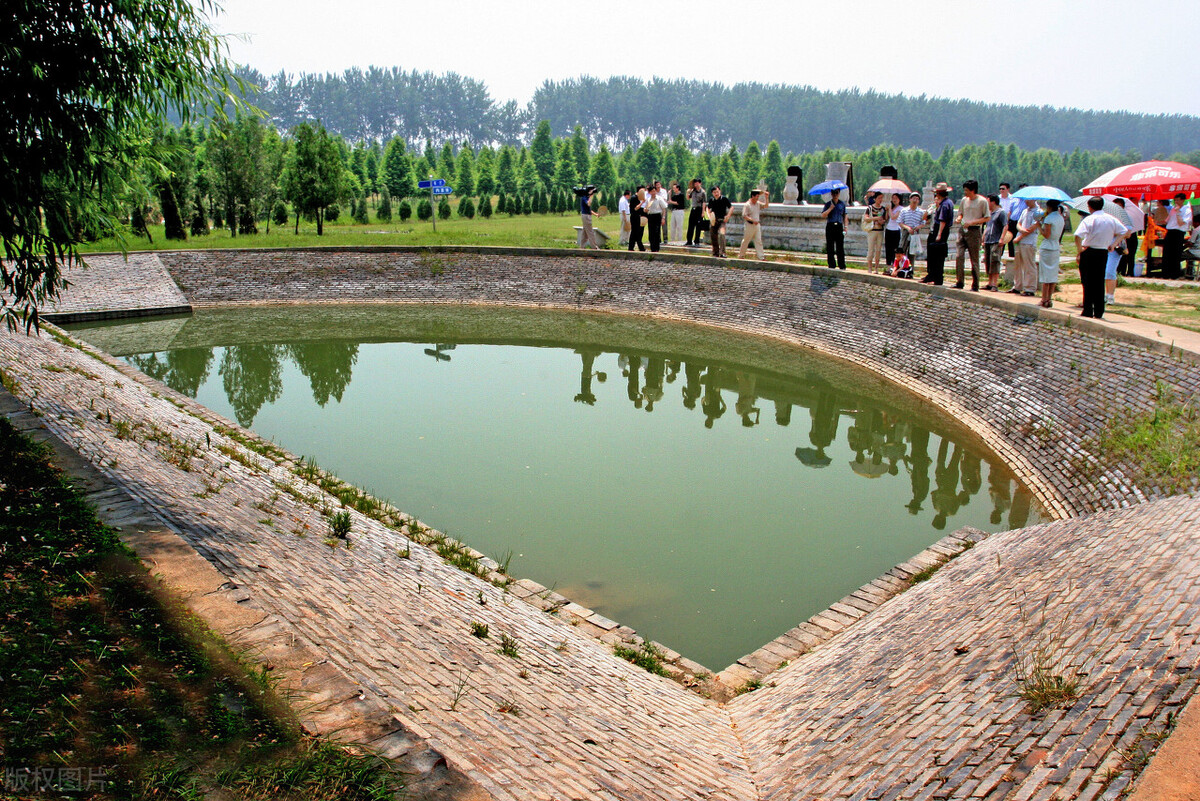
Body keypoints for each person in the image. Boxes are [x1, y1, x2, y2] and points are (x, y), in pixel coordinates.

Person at [1074, 195, 1129, 319]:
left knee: (1087, 281)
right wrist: (1113, 244)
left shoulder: (1089, 219)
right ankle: (1099, 311)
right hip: (1103, 252)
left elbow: (1077, 235)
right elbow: (1124, 231)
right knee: (1099, 281)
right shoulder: (1111, 219)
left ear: (1090, 207)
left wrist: (1079, 251)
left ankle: (1088, 309)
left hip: (1089, 250)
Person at [954, 179, 988, 290]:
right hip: (963, 229)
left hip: (974, 231)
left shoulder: (982, 201)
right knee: (959, 256)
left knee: (974, 259)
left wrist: (972, 222)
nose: (965, 192)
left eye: (967, 190)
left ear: (973, 190)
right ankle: (960, 281)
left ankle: (975, 284)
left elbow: (987, 217)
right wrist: (959, 219)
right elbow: (960, 213)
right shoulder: (964, 200)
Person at [1036, 199, 1066, 308]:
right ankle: (1049, 298)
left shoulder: (1049, 218)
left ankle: (1044, 299)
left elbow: (1046, 234)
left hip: (1048, 246)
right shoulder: (1060, 217)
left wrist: (1039, 226)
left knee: (1045, 275)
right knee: (1052, 274)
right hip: (1056, 246)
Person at [921, 186, 953, 285]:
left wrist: (939, 234)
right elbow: (925, 218)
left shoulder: (944, 205)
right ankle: (932, 275)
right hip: (935, 231)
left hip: (939, 231)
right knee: (933, 256)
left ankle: (937, 277)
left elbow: (942, 221)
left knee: (937, 256)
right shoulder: (946, 203)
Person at [1011, 198, 1041, 297]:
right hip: (1020, 241)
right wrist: (1021, 230)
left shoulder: (1038, 212)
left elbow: (1032, 228)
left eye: (1028, 200)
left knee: (1029, 265)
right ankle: (1017, 286)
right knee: (1018, 264)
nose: (1026, 202)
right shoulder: (1025, 210)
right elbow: (1018, 223)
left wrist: (1020, 236)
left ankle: (1030, 288)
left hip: (1029, 242)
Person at [1164, 192, 1193, 279]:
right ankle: (1166, 273)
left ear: (1182, 200)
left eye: (1177, 200)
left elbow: (1181, 223)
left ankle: (1174, 274)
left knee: (1175, 254)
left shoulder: (1186, 210)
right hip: (1170, 231)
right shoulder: (1173, 208)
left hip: (1178, 232)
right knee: (1167, 253)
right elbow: (1167, 221)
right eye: (1175, 200)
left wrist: (1178, 212)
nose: (1176, 202)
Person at [982, 194, 1008, 292]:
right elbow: (987, 227)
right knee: (988, 261)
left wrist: (1002, 238)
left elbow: (1005, 226)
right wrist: (983, 238)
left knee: (995, 260)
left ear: (993, 202)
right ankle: (989, 282)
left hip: (996, 240)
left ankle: (994, 283)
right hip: (988, 240)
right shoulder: (989, 213)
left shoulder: (1001, 213)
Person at [738, 189, 770, 260]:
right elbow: (744, 215)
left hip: (757, 225)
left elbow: (766, 206)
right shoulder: (747, 205)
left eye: (758, 196)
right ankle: (741, 255)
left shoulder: (758, 203)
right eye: (756, 196)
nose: (757, 198)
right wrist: (752, 220)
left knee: (758, 241)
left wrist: (766, 198)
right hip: (749, 225)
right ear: (752, 196)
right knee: (746, 240)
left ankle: (761, 257)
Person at [821, 188, 847, 270]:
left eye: (837, 193)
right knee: (830, 246)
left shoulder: (842, 204)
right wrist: (830, 208)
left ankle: (841, 264)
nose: (835, 195)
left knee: (840, 246)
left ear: (839, 193)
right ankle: (832, 264)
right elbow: (823, 215)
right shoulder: (828, 204)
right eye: (833, 193)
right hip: (830, 225)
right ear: (831, 194)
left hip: (839, 226)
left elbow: (845, 216)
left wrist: (845, 227)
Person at [1112, 197, 1138, 277]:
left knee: (1130, 257)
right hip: (1120, 238)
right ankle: (1120, 273)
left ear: (1122, 206)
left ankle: (1130, 273)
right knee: (1121, 257)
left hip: (1130, 237)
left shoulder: (1126, 216)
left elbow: (1128, 231)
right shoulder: (1113, 217)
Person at [863, 192, 887, 274]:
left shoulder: (883, 209)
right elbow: (866, 218)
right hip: (872, 230)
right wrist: (876, 218)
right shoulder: (869, 208)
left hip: (880, 231)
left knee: (878, 250)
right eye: (879, 198)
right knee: (871, 249)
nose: (880, 200)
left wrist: (882, 221)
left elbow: (884, 219)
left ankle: (876, 268)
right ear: (875, 199)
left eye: (881, 198)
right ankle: (869, 267)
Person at [998, 182, 1022, 259]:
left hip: (1010, 221)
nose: (1001, 190)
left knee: (1011, 239)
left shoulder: (1014, 198)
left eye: (1003, 189)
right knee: (1001, 239)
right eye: (1000, 189)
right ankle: (999, 256)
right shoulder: (997, 198)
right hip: (999, 221)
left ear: (1008, 189)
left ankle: (1012, 257)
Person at [707, 185, 732, 258]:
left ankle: (723, 252)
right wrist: (709, 217)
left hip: (722, 220)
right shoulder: (711, 200)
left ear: (720, 191)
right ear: (712, 193)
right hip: (714, 220)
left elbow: (731, 207)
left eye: (717, 192)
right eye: (714, 192)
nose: (716, 193)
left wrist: (728, 216)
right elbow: (708, 209)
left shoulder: (724, 199)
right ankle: (715, 252)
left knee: (722, 234)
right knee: (713, 236)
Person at [644, 183, 666, 252]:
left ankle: (657, 248)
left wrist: (663, 218)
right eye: (652, 191)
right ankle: (652, 248)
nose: (653, 193)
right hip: (650, 216)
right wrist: (645, 209)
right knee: (651, 232)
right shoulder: (648, 199)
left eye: (654, 191)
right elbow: (645, 208)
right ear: (649, 192)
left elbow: (664, 209)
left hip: (657, 215)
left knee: (657, 232)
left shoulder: (659, 199)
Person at [686, 179, 706, 247]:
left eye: (697, 183)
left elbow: (704, 202)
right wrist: (688, 192)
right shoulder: (693, 191)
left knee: (698, 226)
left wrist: (703, 212)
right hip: (693, 209)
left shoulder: (703, 192)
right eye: (695, 184)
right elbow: (688, 198)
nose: (696, 185)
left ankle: (696, 241)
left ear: (700, 183)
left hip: (699, 209)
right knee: (690, 225)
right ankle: (689, 241)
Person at [885, 193, 903, 268]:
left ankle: (894, 265)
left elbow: (893, 217)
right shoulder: (892, 208)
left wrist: (889, 209)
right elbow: (887, 218)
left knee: (894, 248)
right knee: (888, 248)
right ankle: (888, 265)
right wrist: (887, 210)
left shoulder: (900, 208)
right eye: (893, 198)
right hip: (889, 228)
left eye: (896, 198)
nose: (894, 200)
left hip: (896, 230)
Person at [628, 186, 646, 252]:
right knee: (634, 232)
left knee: (638, 233)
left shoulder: (638, 198)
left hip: (638, 217)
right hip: (634, 217)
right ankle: (631, 247)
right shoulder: (634, 198)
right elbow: (635, 208)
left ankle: (640, 247)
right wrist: (642, 202)